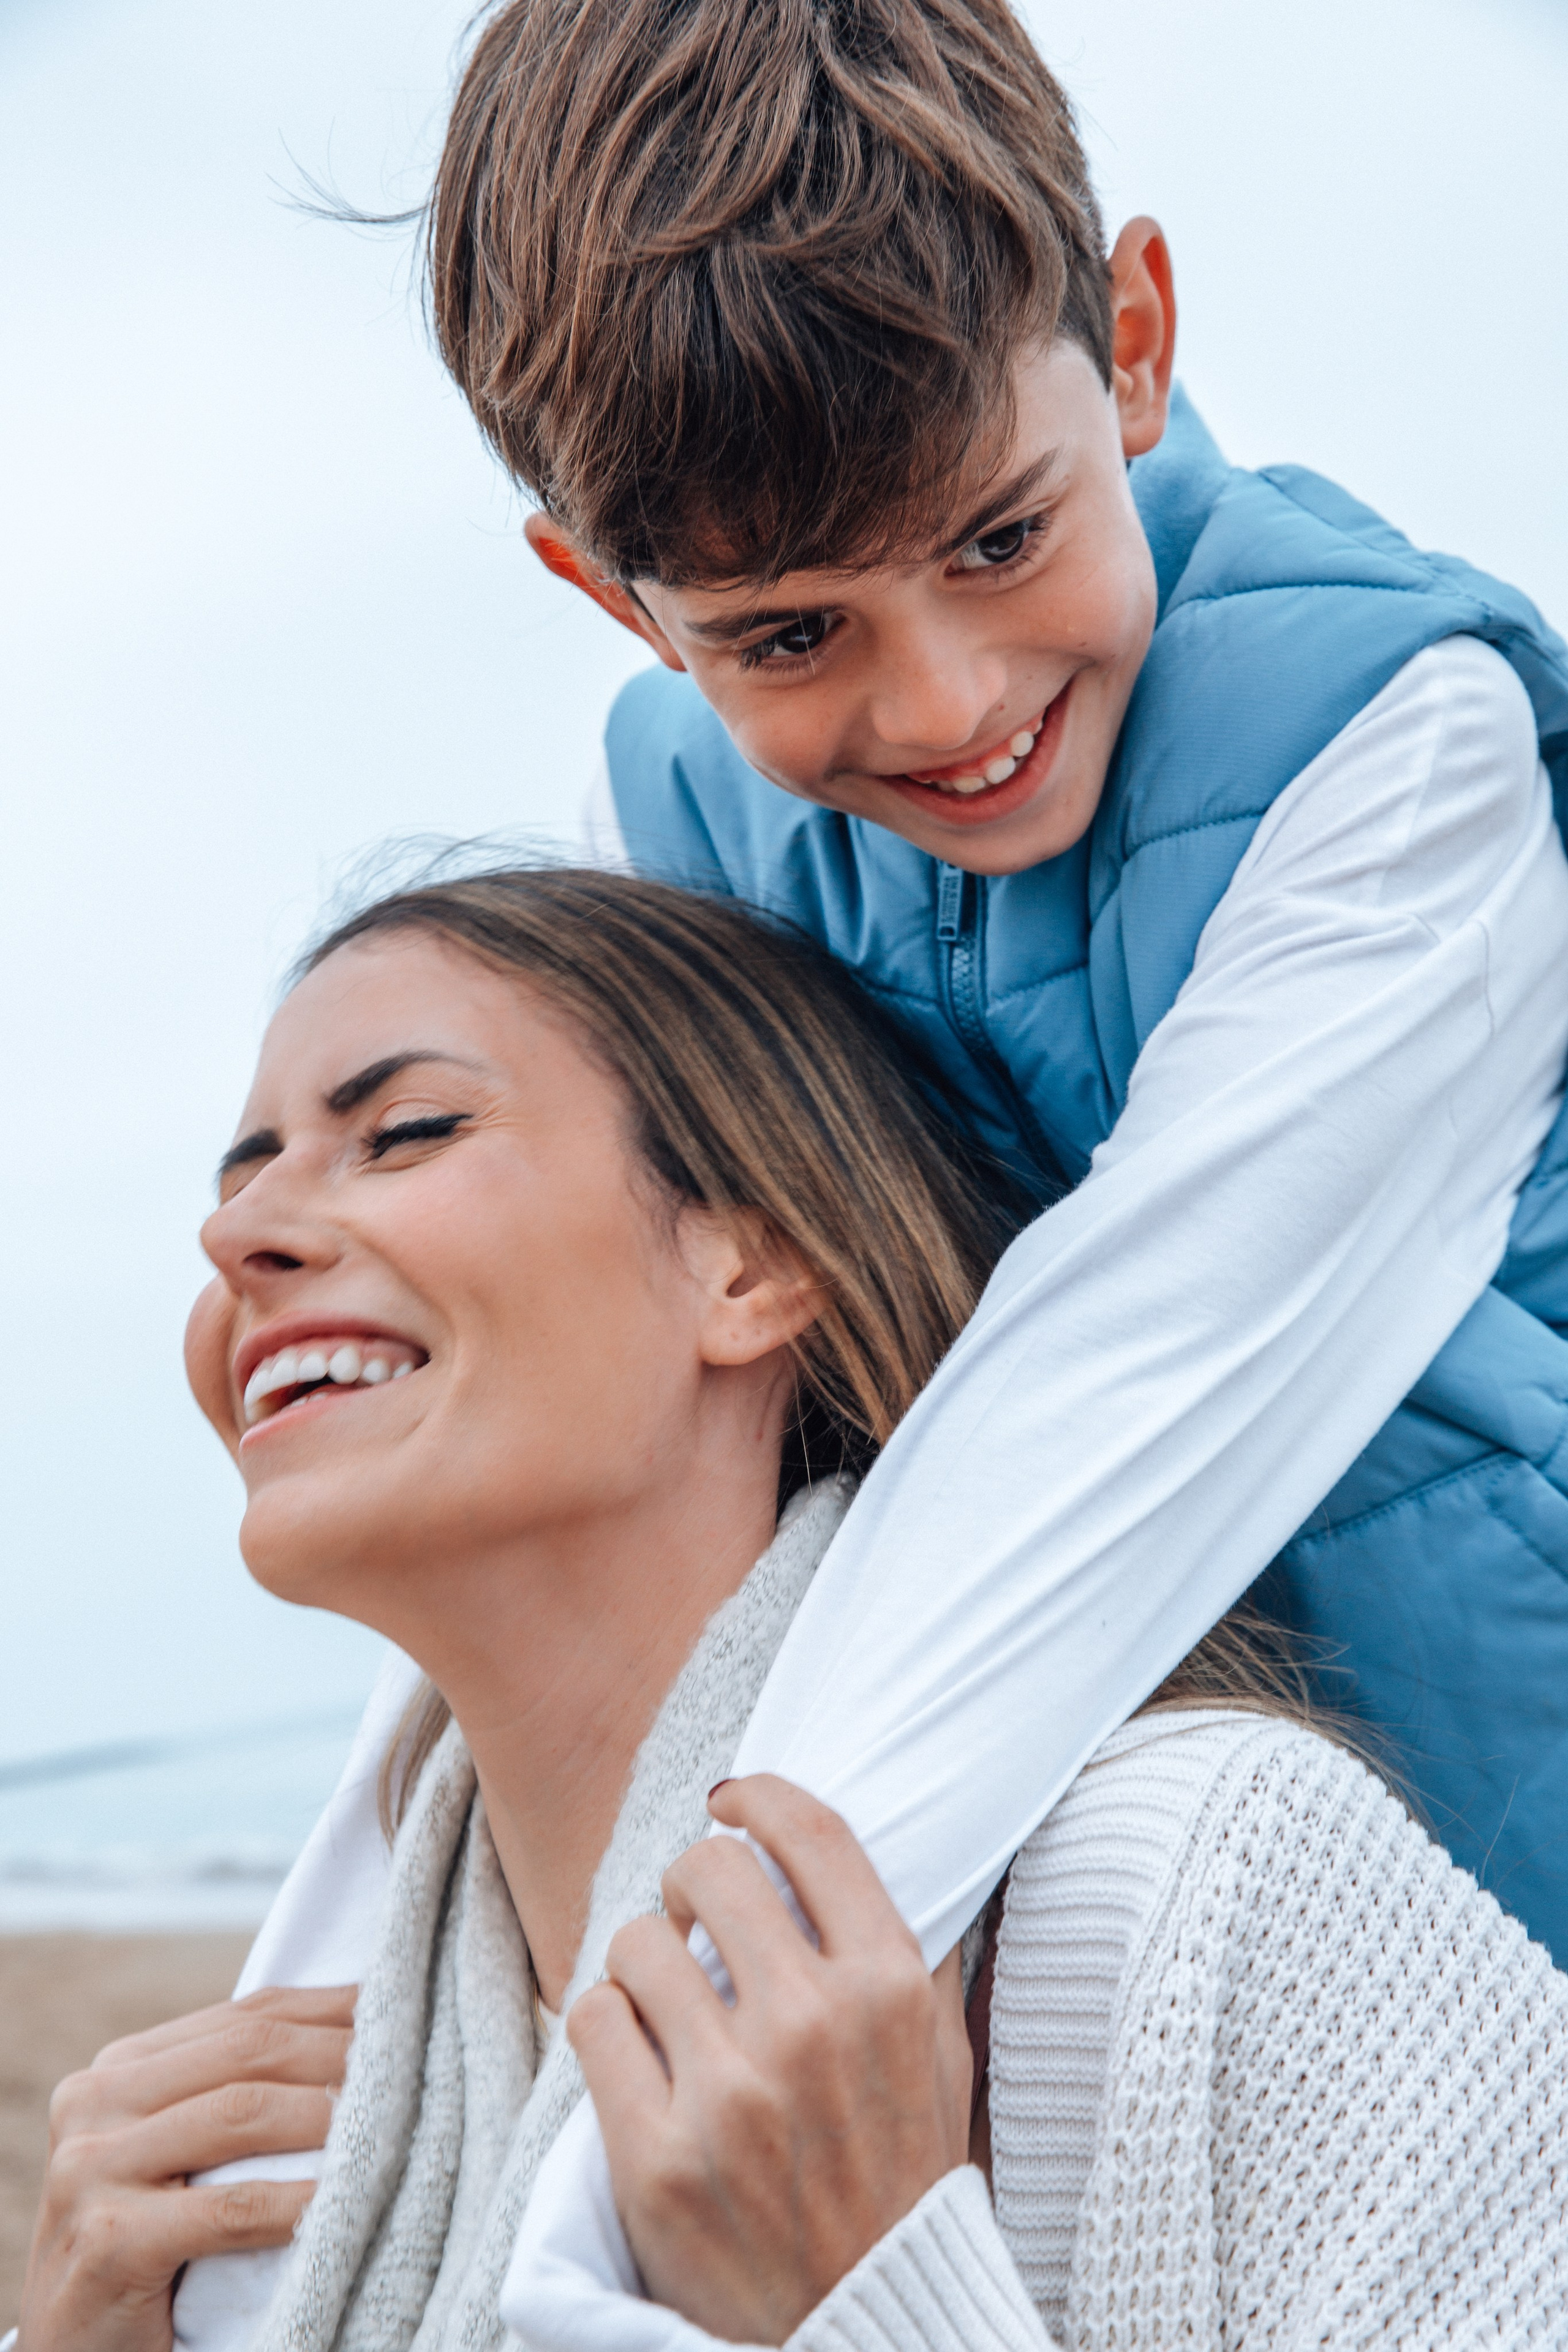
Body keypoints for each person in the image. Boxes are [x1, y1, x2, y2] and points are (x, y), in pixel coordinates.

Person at [18, 870, 1567, 2352]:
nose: (238, 1236)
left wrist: (871, 2294)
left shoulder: (1208, 1878)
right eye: (247, 1170)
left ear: (751, 1261)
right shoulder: (336, 2059)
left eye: (404, 1131)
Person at [408, 0, 1568, 1956]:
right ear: (616, 598)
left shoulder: (1388, 735)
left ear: (1130, 345)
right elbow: (588, 1431)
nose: (948, 705)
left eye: (1001, 534)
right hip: (1155, 1879)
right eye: (787, 636)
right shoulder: (673, 824)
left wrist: (720, 1985)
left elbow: (1135, 1372)